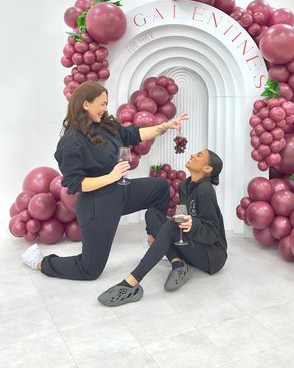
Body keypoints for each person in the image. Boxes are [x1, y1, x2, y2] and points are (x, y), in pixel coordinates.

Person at [21, 80, 187, 280]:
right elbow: (76, 184)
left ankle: (152, 244)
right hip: (97, 205)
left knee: (160, 187)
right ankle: (40, 262)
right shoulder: (70, 142)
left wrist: (166, 126)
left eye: (106, 103)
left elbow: (134, 134)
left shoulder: (106, 125)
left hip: (120, 192)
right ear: (86, 104)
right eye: (102, 103)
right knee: (90, 270)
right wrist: (111, 177)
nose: (105, 108)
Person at [97, 149, 227, 307]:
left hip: (212, 257)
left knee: (172, 225)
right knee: (152, 214)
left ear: (207, 169)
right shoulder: (185, 185)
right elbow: (184, 214)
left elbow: (213, 232)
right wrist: (175, 225)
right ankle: (178, 264)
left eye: (199, 156)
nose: (193, 155)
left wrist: (193, 224)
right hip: (193, 243)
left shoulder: (205, 190)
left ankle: (131, 283)